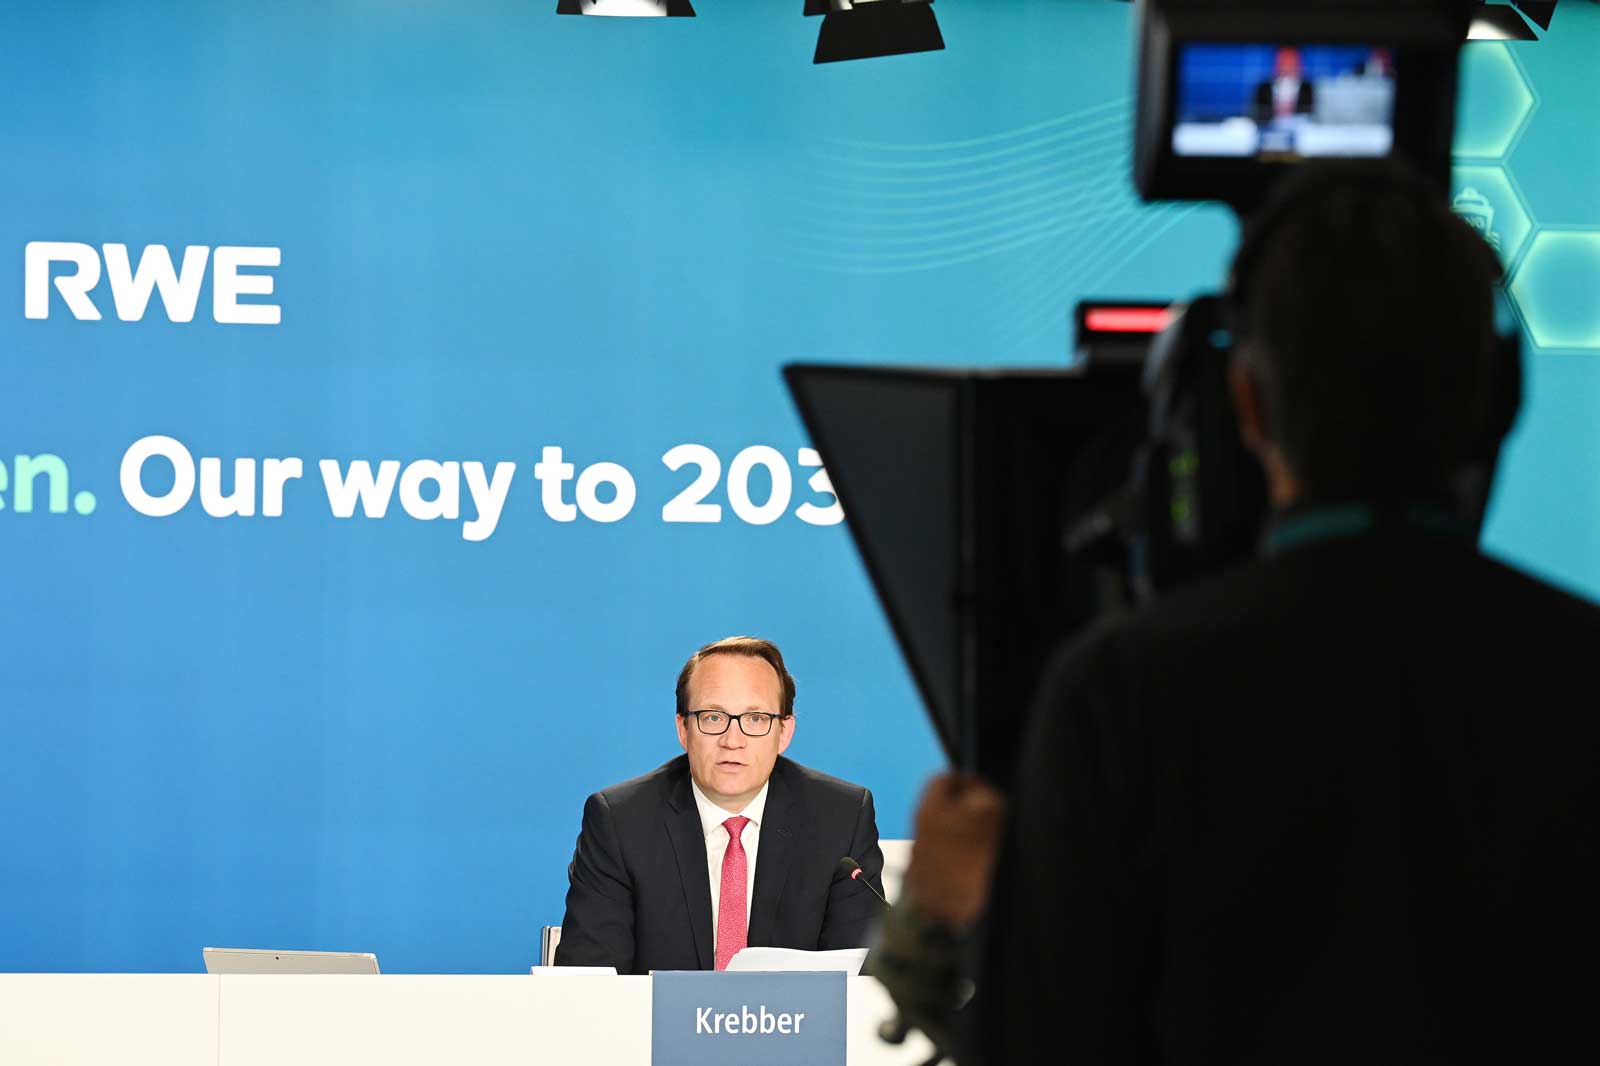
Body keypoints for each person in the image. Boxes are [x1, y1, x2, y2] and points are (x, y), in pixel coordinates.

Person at [889, 159, 1600, 1063]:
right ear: (1500, 401)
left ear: (1249, 405)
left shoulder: (1125, 693)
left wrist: (971, 916)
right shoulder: (1581, 678)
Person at [554, 635, 886, 974]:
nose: (732, 740)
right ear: (683, 729)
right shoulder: (621, 823)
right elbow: (588, 982)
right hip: (653, 1027)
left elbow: (863, 984)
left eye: (755, 719)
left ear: (784, 732)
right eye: (713, 717)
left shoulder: (840, 820)